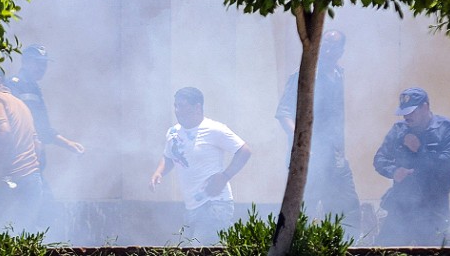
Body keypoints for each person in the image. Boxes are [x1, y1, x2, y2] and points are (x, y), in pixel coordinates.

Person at [275, 29, 361, 239]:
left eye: (333, 46)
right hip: (309, 160)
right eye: (325, 45)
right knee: (303, 212)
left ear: (341, 50)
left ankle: (344, 248)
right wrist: (302, 145)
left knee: (347, 210)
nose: (328, 49)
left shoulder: (340, 74)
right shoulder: (303, 74)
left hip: (336, 159)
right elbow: (284, 113)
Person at [149, 87, 252, 245]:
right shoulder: (173, 132)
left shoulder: (214, 129)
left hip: (214, 204)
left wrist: (225, 176)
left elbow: (244, 150)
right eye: (175, 106)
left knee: (198, 249)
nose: (177, 110)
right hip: (191, 206)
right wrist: (159, 172)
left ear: (197, 107)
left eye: (182, 106)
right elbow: (169, 156)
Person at [5, 44, 85, 234]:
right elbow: (15, 127)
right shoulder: (13, 85)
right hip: (22, 164)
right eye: (38, 63)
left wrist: (69, 144)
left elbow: (44, 129)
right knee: (32, 212)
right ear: (25, 62)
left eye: (45, 64)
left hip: (35, 164)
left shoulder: (34, 87)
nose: (42, 68)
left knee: (43, 212)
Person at [373, 87, 450, 246]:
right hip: (401, 209)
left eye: (411, 111)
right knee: (382, 250)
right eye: (404, 112)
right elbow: (380, 159)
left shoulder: (447, 129)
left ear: (425, 107)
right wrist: (393, 171)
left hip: (433, 211)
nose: (406, 116)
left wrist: (420, 150)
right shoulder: (399, 130)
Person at [0, 67, 42, 233]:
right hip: (32, 179)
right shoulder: (20, 104)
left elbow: (4, 132)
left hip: (7, 180)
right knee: (25, 236)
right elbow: (37, 144)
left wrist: (0, 173)